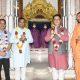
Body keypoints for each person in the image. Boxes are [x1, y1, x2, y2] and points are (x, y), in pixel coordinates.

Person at [45, 14, 69, 80]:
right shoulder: (50, 30)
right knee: (54, 71)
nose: (56, 21)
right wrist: (51, 35)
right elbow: (46, 39)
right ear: (53, 21)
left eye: (58, 19)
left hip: (61, 52)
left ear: (60, 20)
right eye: (55, 19)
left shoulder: (64, 29)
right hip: (52, 52)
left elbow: (67, 38)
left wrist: (58, 34)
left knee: (61, 71)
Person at [71, 12, 80, 80]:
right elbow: (73, 38)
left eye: (79, 16)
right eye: (77, 16)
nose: (78, 18)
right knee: (77, 68)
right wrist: (74, 46)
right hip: (77, 51)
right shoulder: (77, 26)